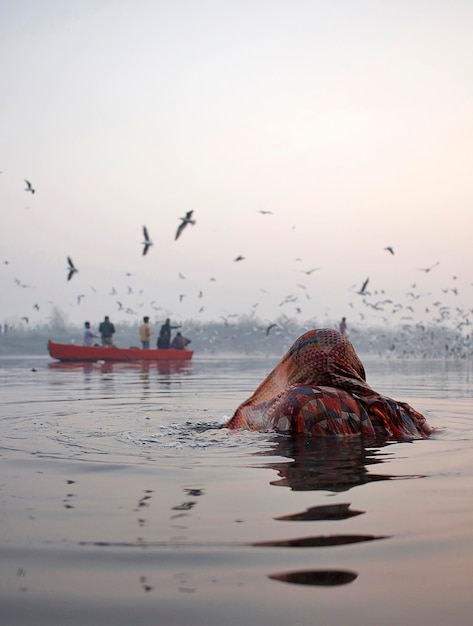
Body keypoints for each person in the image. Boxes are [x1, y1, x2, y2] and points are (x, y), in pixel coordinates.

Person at [224, 328, 434, 439]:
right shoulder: (391, 409)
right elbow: (434, 434)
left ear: (296, 363)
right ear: (350, 361)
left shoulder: (293, 400)